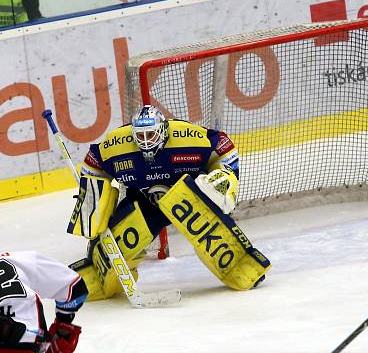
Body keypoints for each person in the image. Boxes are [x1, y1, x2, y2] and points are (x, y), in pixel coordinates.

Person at [68, 105, 270, 300]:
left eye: (151, 135)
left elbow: (223, 145)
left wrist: (224, 175)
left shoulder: (187, 137)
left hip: (189, 196)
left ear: (163, 130)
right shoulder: (116, 146)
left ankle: (241, 264)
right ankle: (96, 275)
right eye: (140, 135)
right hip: (145, 201)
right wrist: (93, 195)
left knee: (211, 232)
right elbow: (93, 161)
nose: (145, 141)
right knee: (122, 242)